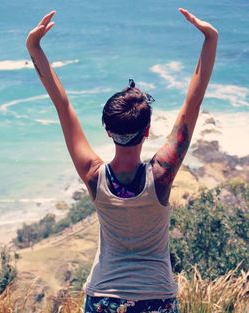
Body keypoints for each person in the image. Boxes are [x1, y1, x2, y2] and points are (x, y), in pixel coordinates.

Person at [26, 7, 218, 313]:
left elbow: (63, 106)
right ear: (147, 132)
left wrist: (33, 47)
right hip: (157, 298)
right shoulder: (161, 175)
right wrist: (210, 39)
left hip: (103, 298)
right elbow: (191, 106)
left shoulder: (93, 175)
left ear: (107, 131)